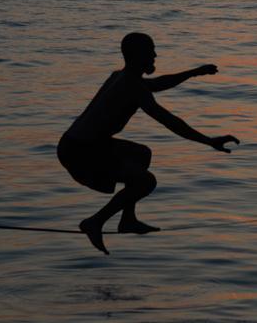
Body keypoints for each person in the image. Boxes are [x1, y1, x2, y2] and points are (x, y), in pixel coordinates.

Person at [57, 32, 239, 254]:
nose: (155, 55)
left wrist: (194, 72)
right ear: (137, 55)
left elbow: (157, 83)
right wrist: (209, 141)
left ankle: (128, 220)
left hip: (79, 144)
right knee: (146, 182)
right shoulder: (132, 85)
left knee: (142, 154)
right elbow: (169, 121)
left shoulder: (122, 76)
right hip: (80, 151)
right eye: (150, 51)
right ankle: (95, 222)